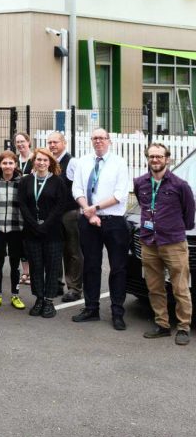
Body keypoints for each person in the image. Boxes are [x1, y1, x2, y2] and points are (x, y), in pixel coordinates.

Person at [70, 128, 132, 330]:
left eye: (102, 138)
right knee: (91, 265)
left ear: (109, 141)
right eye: (95, 138)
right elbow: (77, 189)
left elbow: (120, 194)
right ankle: (91, 309)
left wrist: (94, 209)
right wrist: (89, 214)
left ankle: (117, 312)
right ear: (91, 141)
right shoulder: (83, 162)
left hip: (114, 221)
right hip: (88, 222)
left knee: (118, 267)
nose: (98, 141)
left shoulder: (119, 163)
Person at [135, 143, 194, 344]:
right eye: (152, 157)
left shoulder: (180, 185)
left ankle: (184, 326)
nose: (155, 160)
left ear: (167, 159)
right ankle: (162, 324)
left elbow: (189, 215)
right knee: (154, 287)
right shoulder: (140, 183)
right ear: (148, 159)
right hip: (149, 242)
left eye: (159, 156)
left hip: (173, 243)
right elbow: (144, 207)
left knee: (180, 287)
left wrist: (171, 228)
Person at [18, 148, 71, 319]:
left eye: (45, 160)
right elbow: (23, 204)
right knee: (36, 267)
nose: (41, 163)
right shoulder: (26, 181)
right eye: (38, 160)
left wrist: (45, 225)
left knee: (52, 267)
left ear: (50, 163)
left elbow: (60, 206)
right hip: (31, 232)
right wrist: (34, 224)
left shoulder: (58, 182)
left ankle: (49, 301)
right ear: (34, 162)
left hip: (53, 232)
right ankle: (39, 299)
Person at [0, 150, 25, 310]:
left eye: (11, 163)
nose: (8, 166)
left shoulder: (23, 181)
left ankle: (15, 295)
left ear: (15, 165)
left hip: (16, 228)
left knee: (15, 263)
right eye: (4, 163)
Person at [46, 131, 80, 303]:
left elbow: (77, 186)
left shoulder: (72, 162)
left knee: (72, 251)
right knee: (55, 249)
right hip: (53, 214)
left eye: (56, 142)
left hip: (69, 212)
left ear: (64, 143)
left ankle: (74, 288)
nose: (52, 145)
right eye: (50, 142)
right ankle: (57, 283)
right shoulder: (48, 162)